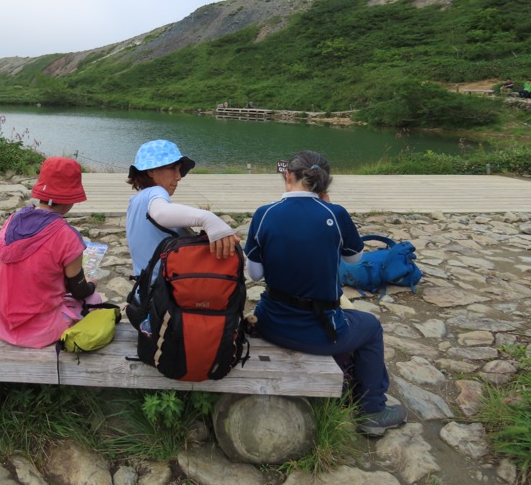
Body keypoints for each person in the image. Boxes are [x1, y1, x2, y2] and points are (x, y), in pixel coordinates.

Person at [244, 151, 407, 436]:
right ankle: (372, 411)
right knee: (370, 327)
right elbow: (354, 259)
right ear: (324, 184)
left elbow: (255, 274)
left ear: (288, 176)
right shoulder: (335, 213)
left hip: (272, 325)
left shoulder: (264, 213)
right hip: (319, 333)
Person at [0, 157, 102, 348]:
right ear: (71, 199)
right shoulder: (67, 237)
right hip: (40, 331)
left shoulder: (12, 221)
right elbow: (79, 290)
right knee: (94, 298)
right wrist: (91, 284)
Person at [125, 140, 238, 325]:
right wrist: (208, 218)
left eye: (180, 170)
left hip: (145, 300)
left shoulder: (136, 200)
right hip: (163, 305)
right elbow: (161, 213)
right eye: (172, 169)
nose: (178, 177)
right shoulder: (155, 193)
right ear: (151, 171)